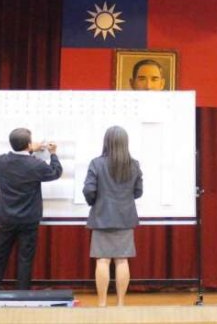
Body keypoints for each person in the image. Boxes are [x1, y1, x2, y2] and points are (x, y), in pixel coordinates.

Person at [0, 128, 63, 290]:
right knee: (25, 259)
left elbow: (20, 158)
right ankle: (22, 294)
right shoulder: (36, 164)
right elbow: (56, 172)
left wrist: (30, 149)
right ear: (28, 144)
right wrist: (53, 154)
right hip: (28, 218)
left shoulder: (1, 160)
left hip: (6, 216)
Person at [83, 126, 143, 307]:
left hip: (102, 218)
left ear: (106, 142)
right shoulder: (134, 164)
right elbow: (138, 192)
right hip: (125, 218)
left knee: (102, 260)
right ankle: (120, 303)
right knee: (122, 260)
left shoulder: (96, 163)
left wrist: (95, 202)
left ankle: (102, 304)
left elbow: (89, 190)